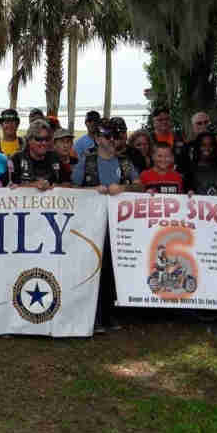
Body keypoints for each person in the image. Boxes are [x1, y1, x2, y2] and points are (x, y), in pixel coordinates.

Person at [73, 123, 140, 334]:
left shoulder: (124, 162)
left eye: (116, 136)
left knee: (112, 270)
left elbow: (140, 186)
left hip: (118, 225)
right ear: (98, 139)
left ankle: (109, 315)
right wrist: (92, 190)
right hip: (90, 224)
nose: (112, 140)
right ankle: (93, 317)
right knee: (92, 269)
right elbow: (72, 187)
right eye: (108, 136)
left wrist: (124, 188)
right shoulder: (87, 161)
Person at [11, 120, 71, 189]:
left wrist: (55, 187)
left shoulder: (55, 158)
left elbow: (67, 184)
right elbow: (8, 186)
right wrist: (33, 185)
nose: (44, 143)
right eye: (39, 139)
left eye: (47, 139)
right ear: (29, 140)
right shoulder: (17, 159)